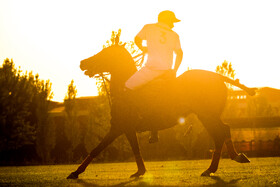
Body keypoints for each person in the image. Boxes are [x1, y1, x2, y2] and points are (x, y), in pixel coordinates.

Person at [125, 10, 183, 143]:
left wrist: (143, 49)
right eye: (172, 21)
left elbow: (137, 39)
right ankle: (154, 130)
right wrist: (174, 70)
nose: (173, 25)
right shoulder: (174, 35)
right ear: (167, 21)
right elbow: (179, 53)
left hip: (151, 69)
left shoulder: (149, 27)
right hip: (167, 72)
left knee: (127, 87)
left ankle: (138, 119)